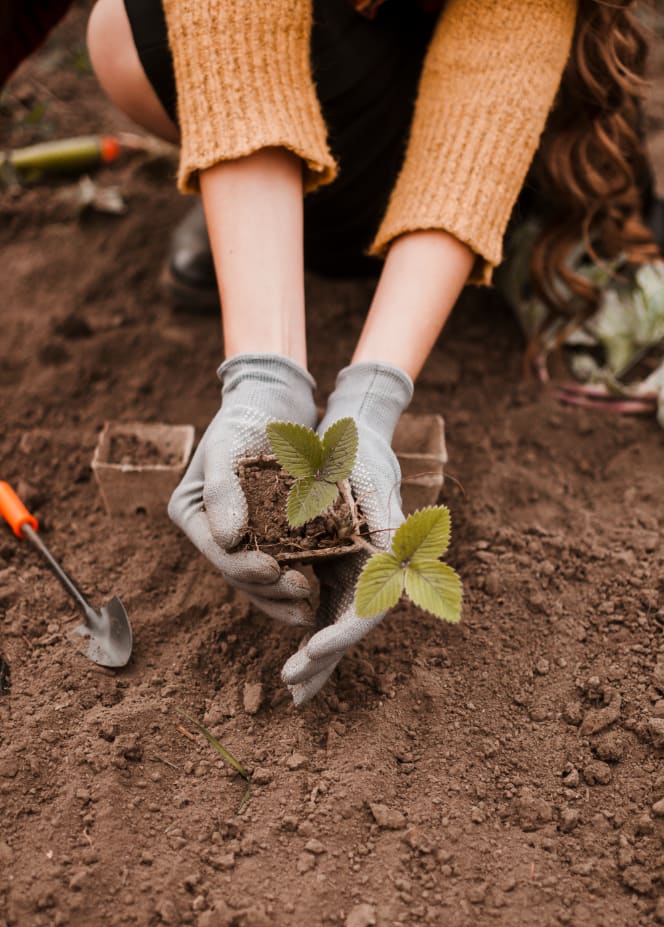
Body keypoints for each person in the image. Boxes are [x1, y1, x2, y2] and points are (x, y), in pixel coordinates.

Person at [86, 0, 662, 705]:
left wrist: (372, 402)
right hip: (353, 84)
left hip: (517, 122)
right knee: (124, 31)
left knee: (547, 178)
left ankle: (537, 230)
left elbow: (486, 92)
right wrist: (262, 379)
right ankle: (256, 209)